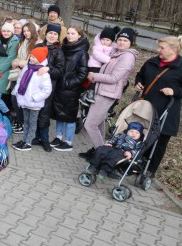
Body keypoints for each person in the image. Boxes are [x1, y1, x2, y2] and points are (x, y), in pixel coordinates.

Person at [80, 28, 138, 159]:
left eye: (125, 40)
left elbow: (114, 78)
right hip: (102, 91)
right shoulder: (117, 52)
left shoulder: (127, 57)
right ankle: (100, 150)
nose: (121, 42)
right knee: (99, 123)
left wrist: (95, 76)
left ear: (131, 43)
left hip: (108, 94)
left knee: (90, 124)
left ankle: (101, 154)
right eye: (120, 40)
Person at [134, 35, 182, 176]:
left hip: (167, 111)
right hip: (146, 107)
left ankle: (150, 170)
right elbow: (140, 75)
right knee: (141, 135)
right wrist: (138, 83)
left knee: (159, 142)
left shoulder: (180, 67)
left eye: (162, 47)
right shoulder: (152, 62)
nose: (158, 50)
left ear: (173, 50)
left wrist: (174, 91)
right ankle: (136, 163)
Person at [51, 25, 89, 152]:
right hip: (59, 87)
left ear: (79, 35)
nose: (70, 36)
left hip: (71, 89)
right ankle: (58, 137)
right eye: (68, 33)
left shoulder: (82, 52)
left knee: (70, 116)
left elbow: (83, 74)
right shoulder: (63, 48)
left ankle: (68, 141)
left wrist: (68, 83)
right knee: (59, 114)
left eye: (73, 33)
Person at [31, 24, 65, 152]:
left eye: (55, 34)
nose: (52, 36)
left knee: (44, 112)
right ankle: (36, 136)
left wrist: (49, 69)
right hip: (34, 84)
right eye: (50, 33)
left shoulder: (59, 51)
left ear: (57, 37)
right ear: (46, 34)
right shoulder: (38, 46)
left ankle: (44, 139)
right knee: (34, 110)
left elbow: (60, 71)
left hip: (49, 86)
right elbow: (31, 62)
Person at [11, 46, 52, 151]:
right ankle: (24, 140)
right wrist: (17, 92)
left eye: (34, 57)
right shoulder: (27, 68)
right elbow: (20, 81)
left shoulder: (43, 73)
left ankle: (28, 142)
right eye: (31, 57)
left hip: (34, 103)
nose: (31, 59)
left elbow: (47, 89)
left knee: (32, 123)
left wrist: (35, 98)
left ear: (40, 59)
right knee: (26, 121)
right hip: (24, 101)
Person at [10, 22, 40, 134]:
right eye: (24, 31)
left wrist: (20, 62)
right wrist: (15, 61)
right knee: (15, 99)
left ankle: (24, 124)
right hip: (18, 73)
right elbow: (18, 56)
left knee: (22, 99)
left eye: (28, 31)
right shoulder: (22, 41)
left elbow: (34, 60)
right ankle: (21, 122)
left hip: (29, 74)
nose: (26, 33)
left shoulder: (38, 43)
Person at [83, 26, 119, 103]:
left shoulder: (112, 47)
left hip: (102, 66)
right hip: (94, 65)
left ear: (112, 41)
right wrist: (108, 59)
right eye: (103, 39)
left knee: (98, 79)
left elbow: (116, 48)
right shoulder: (98, 46)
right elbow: (97, 55)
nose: (104, 41)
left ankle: (87, 93)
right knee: (93, 79)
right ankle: (90, 92)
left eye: (107, 40)